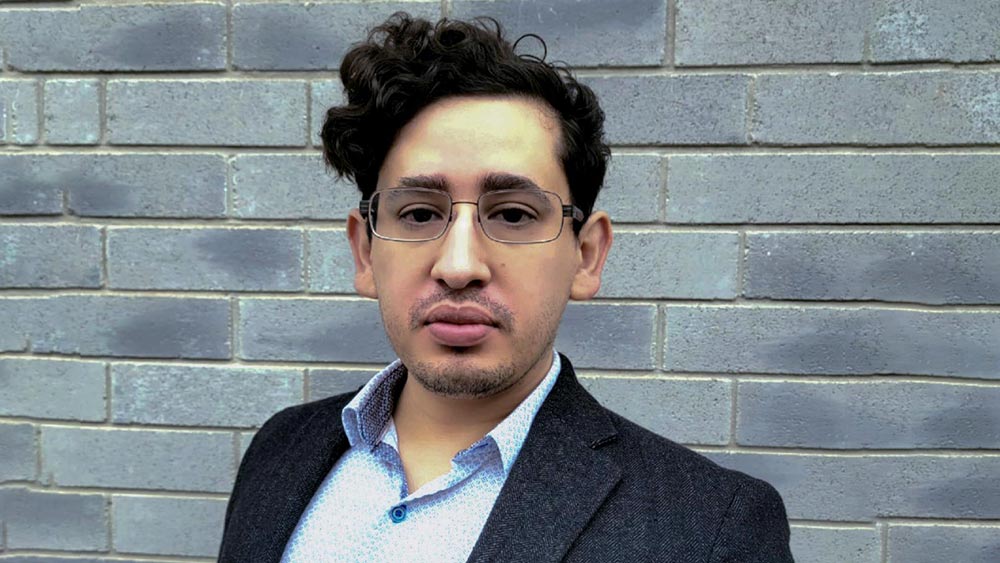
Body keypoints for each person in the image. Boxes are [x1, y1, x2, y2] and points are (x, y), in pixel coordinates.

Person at [218, 13, 793, 563]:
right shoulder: (280, 449)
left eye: (514, 215)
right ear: (366, 251)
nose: (460, 264)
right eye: (419, 214)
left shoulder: (710, 526)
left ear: (586, 255)